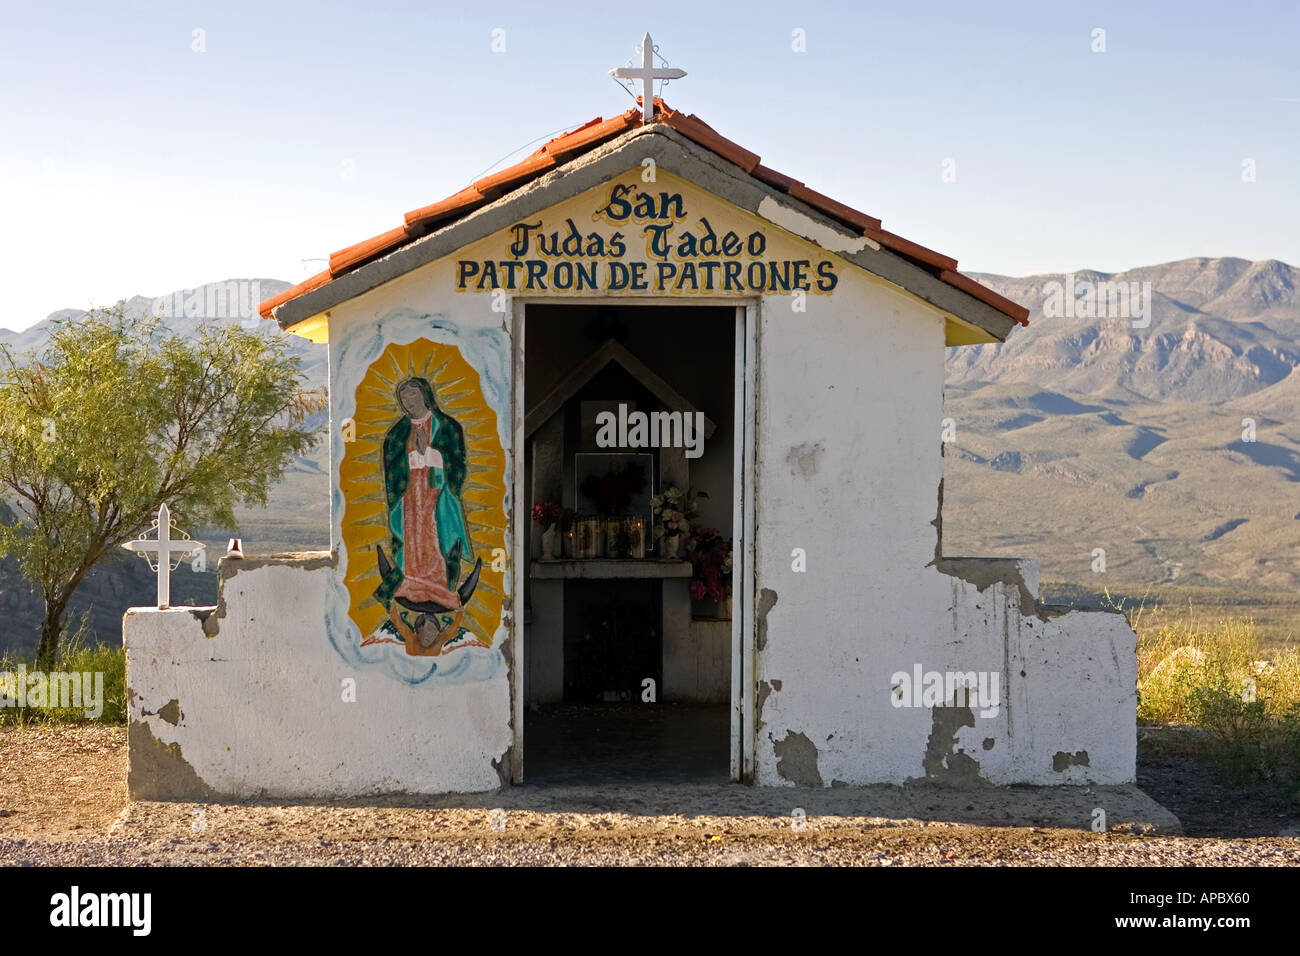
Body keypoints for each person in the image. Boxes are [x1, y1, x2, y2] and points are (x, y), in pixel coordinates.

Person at [370, 377, 481, 655]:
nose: (409, 402)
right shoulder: (397, 434)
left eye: (413, 395)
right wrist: (412, 460)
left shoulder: (448, 428)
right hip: (410, 499)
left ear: (425, 395)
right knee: (413, 544)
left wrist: (430, 454)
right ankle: (411, 584)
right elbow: (392, 471)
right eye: (404, 398)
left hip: (438, 498)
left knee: (436, 543)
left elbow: (458, 468)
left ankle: (438, 588)